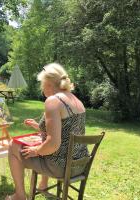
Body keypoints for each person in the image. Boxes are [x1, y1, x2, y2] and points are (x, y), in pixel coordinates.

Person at [5, 63, 88, 200]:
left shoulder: (53, 101)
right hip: (79, 164)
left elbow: (53, 144)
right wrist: (39, 127)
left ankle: (19, 195)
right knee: (43, 143)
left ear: (49, 84)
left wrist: (36, 151)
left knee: (13, 147)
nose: (41, 88)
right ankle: (43, 185)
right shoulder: (77, 100)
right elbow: (65, 130)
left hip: (61, 166)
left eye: (42, 84)